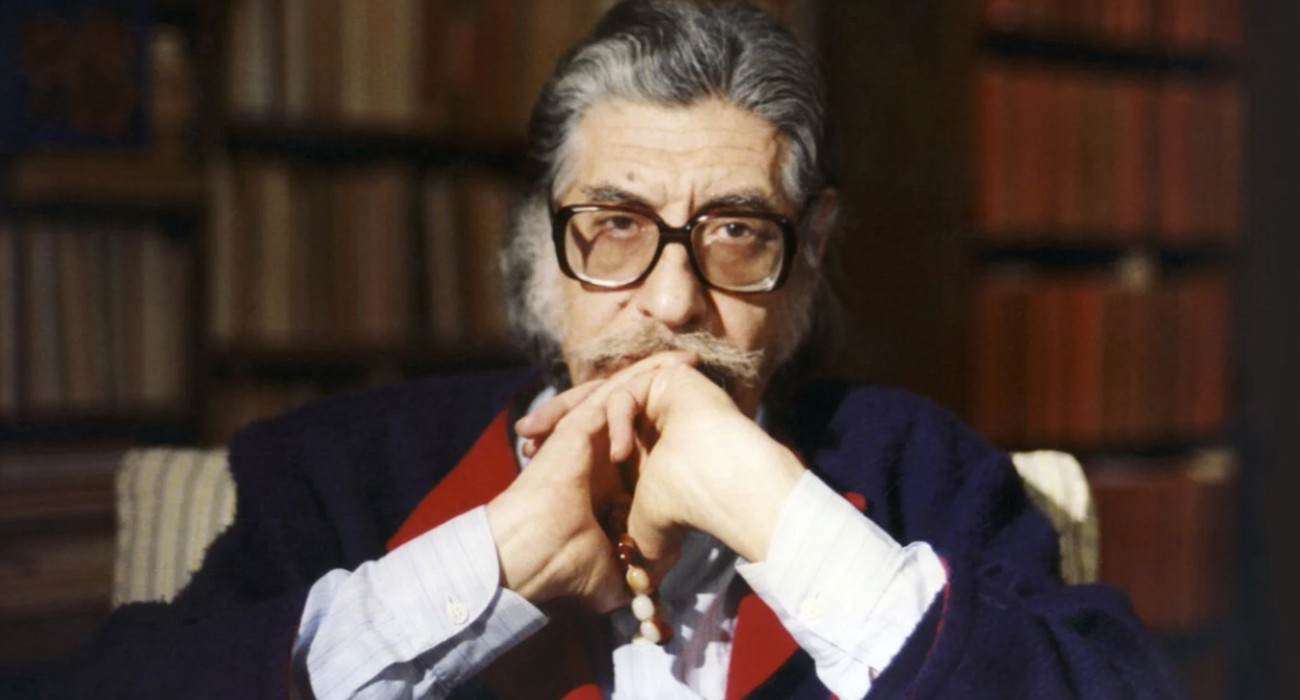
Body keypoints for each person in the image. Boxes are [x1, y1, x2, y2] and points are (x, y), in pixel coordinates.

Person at [70, 1, 1185, 698]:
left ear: (807, 257)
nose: (671, 298)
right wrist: (496, 559)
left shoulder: (920, 471)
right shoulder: (335, 471)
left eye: (736, 232)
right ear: (538, 250)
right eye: (613, 225)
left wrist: (771, 508)